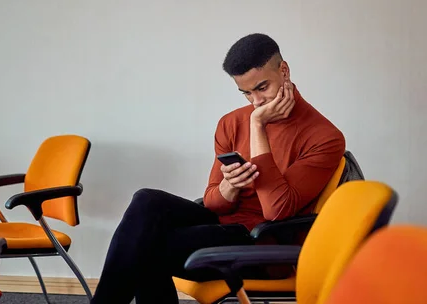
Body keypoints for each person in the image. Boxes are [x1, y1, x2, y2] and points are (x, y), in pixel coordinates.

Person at [90, 33, 346, 304]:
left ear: (284, 71)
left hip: (264, 242)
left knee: (145, 246)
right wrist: (229, 187)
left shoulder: (324, 136)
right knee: (146, 200)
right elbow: (212, 203)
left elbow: (276, 211)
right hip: (223, 225)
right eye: (246, 92)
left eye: (262, 87)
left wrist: (257, 126)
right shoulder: (230, 123)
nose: (255, 101)